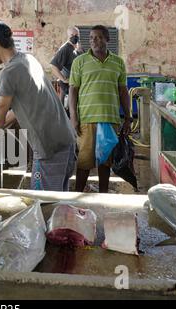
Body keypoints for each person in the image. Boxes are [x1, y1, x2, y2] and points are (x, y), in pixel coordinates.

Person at [0, 21, 76, 192]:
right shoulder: (29, 59)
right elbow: (20, 109)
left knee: (42, 207)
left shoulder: (9, 72)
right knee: (58, 205)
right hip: (66, 142)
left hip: (48, 150)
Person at [69, 25, 131, 194]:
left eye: (98, 37)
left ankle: (103, 195)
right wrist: (73, 117)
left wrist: (128, 117)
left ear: (107, 39)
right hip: (87, 119)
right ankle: (77, 195)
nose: (94, 41)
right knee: (84, 162)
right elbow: (73, 90)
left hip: (110, 120)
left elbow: (123, 91)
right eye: (91, 38)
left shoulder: (118, 62)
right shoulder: (79, 62)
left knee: (105, 162)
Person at [50, 26, 83, 113]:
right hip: (68, 90)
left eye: (76, 35)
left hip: (75, 87)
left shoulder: (76, 49)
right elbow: (53, 66)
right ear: (68, 36)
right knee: (68, 114)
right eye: (72, 35)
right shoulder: (65, 49)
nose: (74, 37)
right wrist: (64, 79)